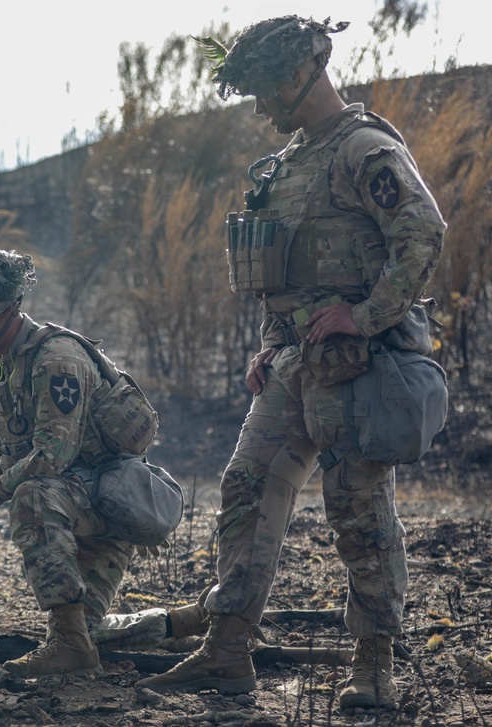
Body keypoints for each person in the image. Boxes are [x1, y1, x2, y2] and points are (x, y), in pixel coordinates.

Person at [135, 17, 445, 709]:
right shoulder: (290, 163)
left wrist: (364, 317)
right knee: (245, 487)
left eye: (264, 89)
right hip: (292, 365)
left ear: (301, 71)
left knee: (358, 511)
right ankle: (225, 650)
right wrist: (272, 343)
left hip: (357, 367)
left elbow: (423, 236)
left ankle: (374, 666)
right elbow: (287, 272)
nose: (259, 108)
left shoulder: (363, 148)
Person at [0, 241, 161, 678]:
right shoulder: (4, 366)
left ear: (0, 309)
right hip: (72, 510)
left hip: (108, 511)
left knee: (31, 494)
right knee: (89, 631)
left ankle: (70, 647)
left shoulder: (57, 360)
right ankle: (184, 621)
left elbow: (50, 458)